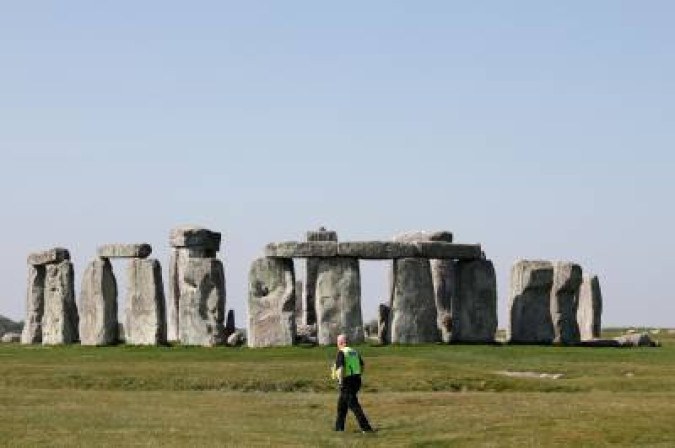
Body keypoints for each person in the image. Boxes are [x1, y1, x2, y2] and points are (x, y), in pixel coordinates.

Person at [332, 334, 374, 433]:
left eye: (337, 343)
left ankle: (367, 429)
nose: (337, 345)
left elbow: (341, 368)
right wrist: (358, 375)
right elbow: (362, 365)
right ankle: (339, 428)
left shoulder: (341, 352)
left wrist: (341, 382)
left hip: (346, 382)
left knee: (355, 406)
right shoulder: (354, 352)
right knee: (341, 406)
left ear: (341, 343)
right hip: (356, 380)